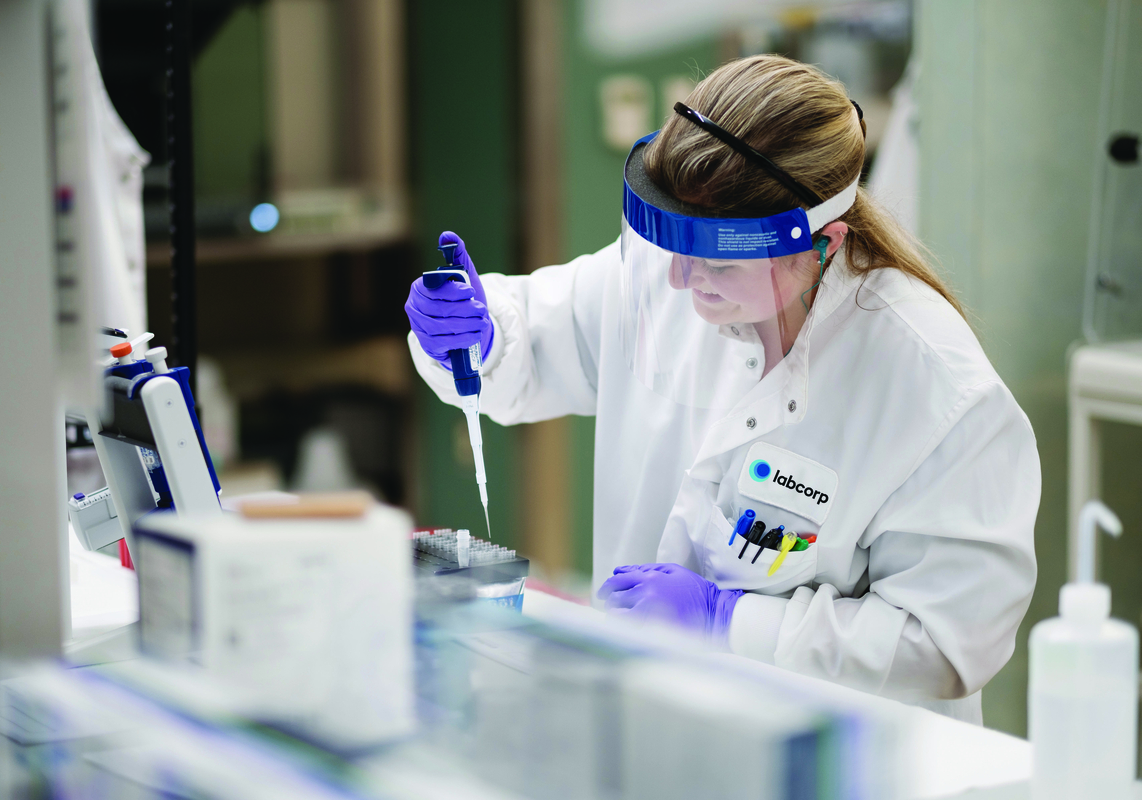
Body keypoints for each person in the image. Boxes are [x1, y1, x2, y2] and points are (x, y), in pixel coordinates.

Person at [404, 55, 1038, 723]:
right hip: (653, 728)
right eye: (674, 247)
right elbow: (533, 333)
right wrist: (476, 334)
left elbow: (944, 643)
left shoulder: (933, 384)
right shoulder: (665, 277)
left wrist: (729, 622)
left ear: (823, 244)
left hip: (841, 758)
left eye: (715, 260)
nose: (679, 280)